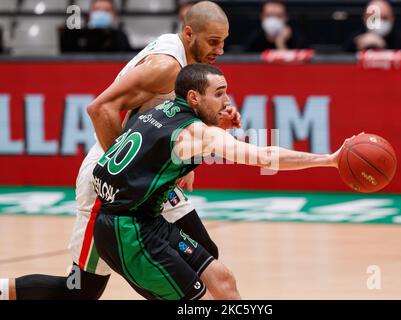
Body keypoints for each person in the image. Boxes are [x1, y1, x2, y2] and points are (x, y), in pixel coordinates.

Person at [0, 1, 240, 300]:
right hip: (112, 180)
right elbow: (100, 108)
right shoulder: (167, 65)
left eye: (223, 42)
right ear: (189, 34)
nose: (220, 51)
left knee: (205, 258)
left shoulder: (188, 64)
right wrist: (131, 174)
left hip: (148, 181)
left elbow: (172, 122)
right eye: (213, 42)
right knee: (80, 292)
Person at [92, 63, 352, 300]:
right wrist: (329, 160)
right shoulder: (195, 133)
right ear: (194, 97)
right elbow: (264, 157)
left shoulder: (161, 108)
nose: (226, 100)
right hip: (128, 234)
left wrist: (219, 127)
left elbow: (160, 152)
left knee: (222, 280)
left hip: (145, 221)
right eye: (218, 93)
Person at [60, 0, 132, 52]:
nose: (101, 13)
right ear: (90, 14)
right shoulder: (77, 36)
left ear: (114, 15)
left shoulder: (121, 37)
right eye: (97, 9)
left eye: (106, 10)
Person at [243, 0, 307, 53]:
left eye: (278, 16)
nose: (273, 20)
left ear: (286, 17)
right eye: (269, 15)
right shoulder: (254, 39)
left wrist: (280, 43)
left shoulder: (297, 38)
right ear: (261, 17)